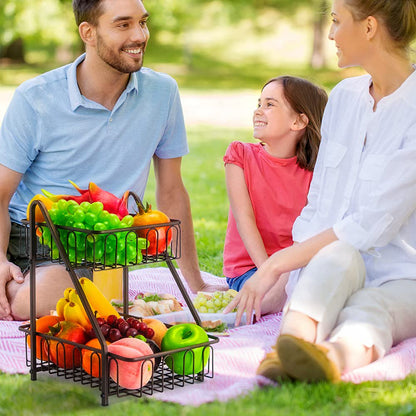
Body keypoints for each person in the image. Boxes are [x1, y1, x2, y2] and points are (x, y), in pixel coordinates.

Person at [225, 0, 416, 382]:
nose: (330, 34)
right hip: (333, 261)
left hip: (404, 274)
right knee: (334, 256)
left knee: (372, 307)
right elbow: (318, 207)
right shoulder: (344, 98)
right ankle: (290, 347)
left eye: (336, 21)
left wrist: (276, 264)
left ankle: (329, 358)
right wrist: (293, 276)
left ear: (369, 28)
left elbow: (368, 226)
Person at [0, 0, 226, 321]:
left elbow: (173, 190)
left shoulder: (162, 93)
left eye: (142, 22)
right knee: (60, 297)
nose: (139, 35)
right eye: (123, 25)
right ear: (88, 33)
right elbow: (1, 193)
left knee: (88, 294)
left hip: (107, 242)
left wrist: (197, 282)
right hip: (32, 235)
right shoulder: (35, 98)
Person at [223, 76, 327, 316]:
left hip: (295, 265)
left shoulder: (317, 171)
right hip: (251, 269)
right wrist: (266, 274)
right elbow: (244, 219)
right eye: (259, 103)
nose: (258, 111)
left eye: (270, 105)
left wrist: (285, 272)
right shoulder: (240, 155)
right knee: (297, 285)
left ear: (299, 121)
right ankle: (252, 305)